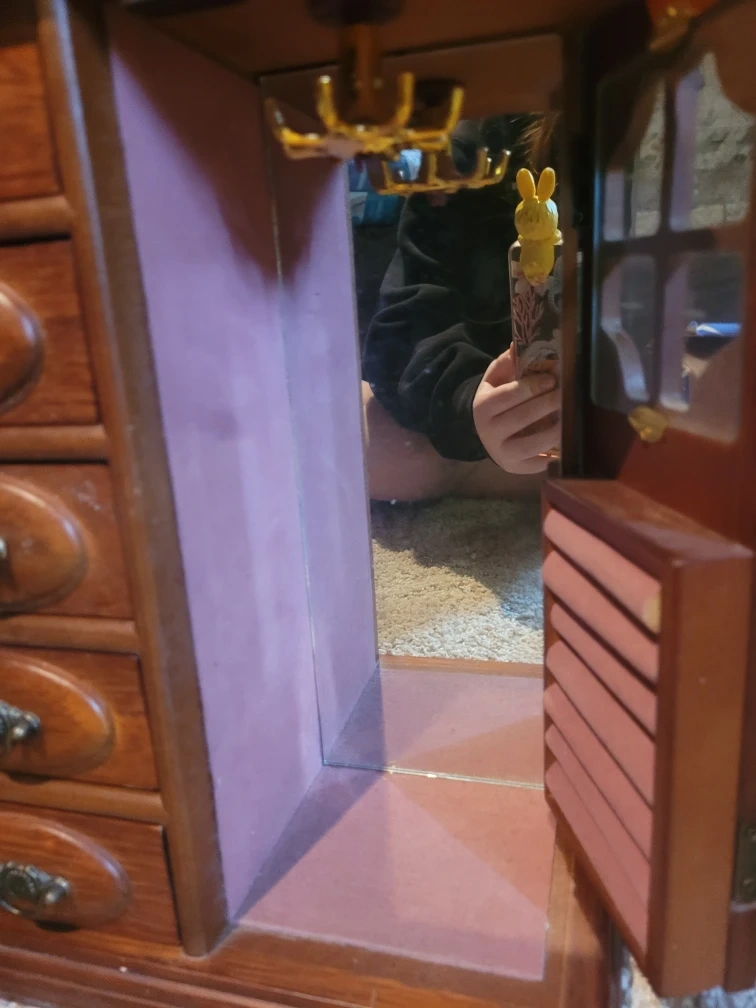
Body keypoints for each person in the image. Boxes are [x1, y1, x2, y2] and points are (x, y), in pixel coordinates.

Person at [361, 114, 561, 502]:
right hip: (479, 395)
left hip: (583, 420)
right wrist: (471, 404)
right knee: (390, 456)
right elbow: (406, 331)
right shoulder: (478, 148)